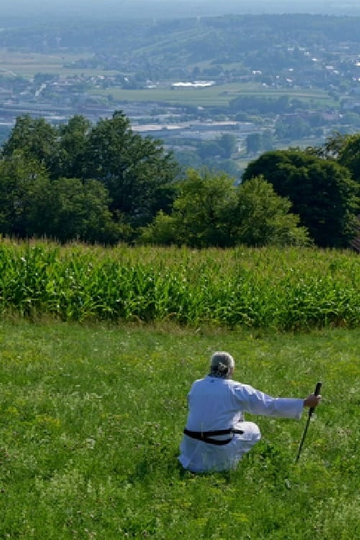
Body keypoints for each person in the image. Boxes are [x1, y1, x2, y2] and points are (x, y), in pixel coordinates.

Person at [178, 351, 321, 473]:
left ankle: (210, 459)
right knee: (253, 428)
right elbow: (269, 405)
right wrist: (304, 403)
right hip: (217, 449)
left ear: (211, 367)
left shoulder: (196, 385)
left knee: (233, 420)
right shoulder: (236, 389)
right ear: (231, 370)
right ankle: (228, 463)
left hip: (190, 449)